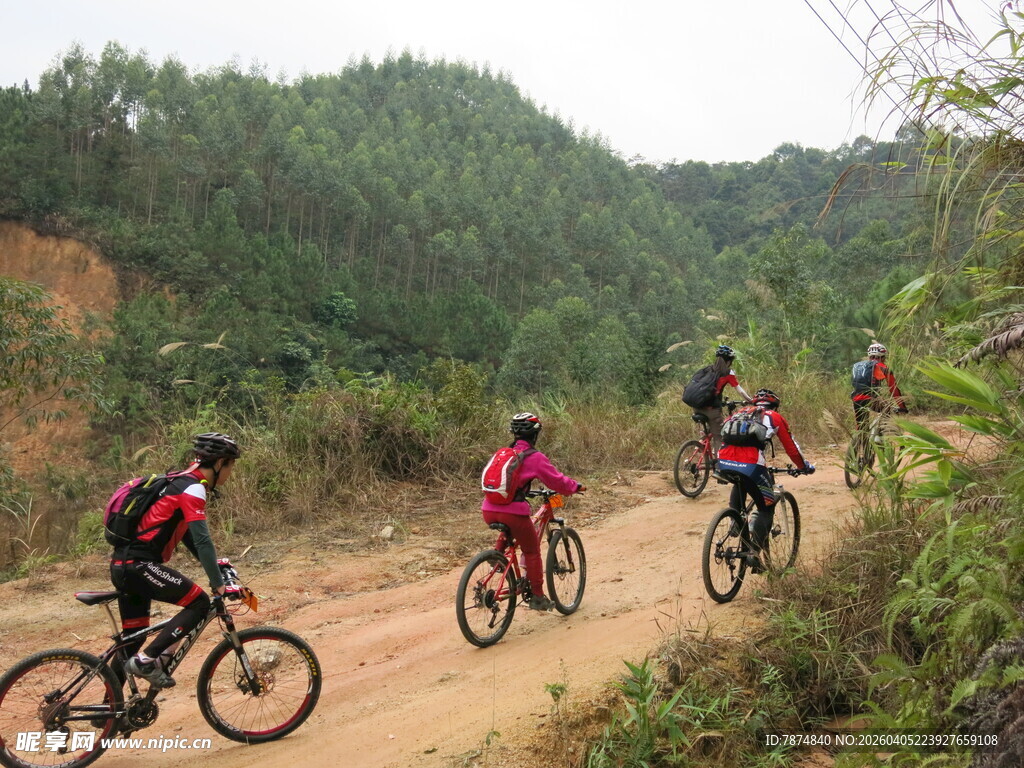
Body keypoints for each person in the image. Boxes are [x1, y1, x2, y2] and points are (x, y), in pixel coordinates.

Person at [111, 432, 241, 688]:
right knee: (200, 603)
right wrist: (217, 583)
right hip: (139, 566)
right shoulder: (193, 488)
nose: (230, 474)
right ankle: (147, 661)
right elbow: (202, 541)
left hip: (123, 566)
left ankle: (109, 712)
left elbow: (187, 536)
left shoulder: (179, 481)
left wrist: (215, 566)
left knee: (132, 640)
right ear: (219, 463)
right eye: (230, 467)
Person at [480, 413, 585, 612]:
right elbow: (557, 481)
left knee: (513, 530)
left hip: (488, 509)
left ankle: (498, 555)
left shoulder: (502, 453)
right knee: (531, 551)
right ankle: (537, 597)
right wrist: (575, 487)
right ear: (535, 435)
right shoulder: (534, 457)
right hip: (513, 513)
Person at [716, 389, 813, 573]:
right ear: (774, 405)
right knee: (766, 507)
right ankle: (753, 552)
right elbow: (792, 448)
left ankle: (734, 520)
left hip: (724, 462)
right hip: (752, 466)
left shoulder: (738, 413)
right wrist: (804, 466)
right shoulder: (774, 417)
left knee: (740, 480)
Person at [694, 345, 752, 453]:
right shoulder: (728, 373)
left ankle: (698, 446)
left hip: (697, 406)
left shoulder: (708, 369)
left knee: (709, 429)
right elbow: (740, 391)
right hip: (711, 409)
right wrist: (751, 400)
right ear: (729, 361)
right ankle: (718, 466)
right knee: (719, 436)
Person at [851, 342, 907, 429]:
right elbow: (894, 389)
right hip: (871, 399)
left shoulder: (857, 366)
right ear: (883, 357)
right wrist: (902, 408)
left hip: (856, 398)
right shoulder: (883, 367)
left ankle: (861, 441)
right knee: (888, 410)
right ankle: (880, 436)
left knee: (862, 428)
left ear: (869, 356)